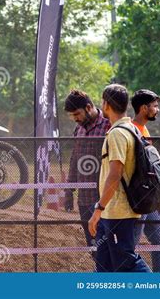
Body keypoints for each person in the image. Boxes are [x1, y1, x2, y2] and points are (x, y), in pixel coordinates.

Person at [88, 84, 151, 272]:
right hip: (112, 211)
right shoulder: (131, 129)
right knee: (104, 266)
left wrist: (98, 208)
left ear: (106, 104)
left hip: (117, 212)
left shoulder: (117, 133)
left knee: (127, 263)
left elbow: (114, 175)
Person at [63, 90, 110, 258]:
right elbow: (74, 159)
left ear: (89, 107)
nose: (75, 118)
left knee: (109, 248)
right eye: (72, 115)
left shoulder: (108, 126)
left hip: (106, 201)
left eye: (77, 114)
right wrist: (69, 190)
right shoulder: (79, 130)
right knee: (93, 248)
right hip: (84, 200)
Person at [131, 89, 160, 272]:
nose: (157, 109)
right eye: (154, 106)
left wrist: (158, 197)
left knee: (159, 241)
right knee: (131, 246)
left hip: (149, 196)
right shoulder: (132, 130)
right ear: (144, 108)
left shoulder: (144, 128)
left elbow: (151, 168)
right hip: (138, 197)